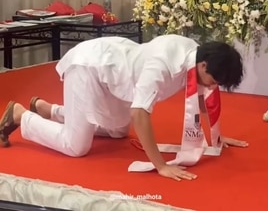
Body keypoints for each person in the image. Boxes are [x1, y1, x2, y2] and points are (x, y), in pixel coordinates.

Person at [0, 35, 248, 181]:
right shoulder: (162, 66)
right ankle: (22, 116)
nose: (214, 86)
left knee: (118, 131)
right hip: (89, 67)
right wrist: (161, 165)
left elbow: (203, 95)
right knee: (76, 147)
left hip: (116, 76)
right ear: (203, 66)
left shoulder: (198, 55)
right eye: (215, 81)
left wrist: (216, 134)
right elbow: (139, 114)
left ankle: (50, 110)